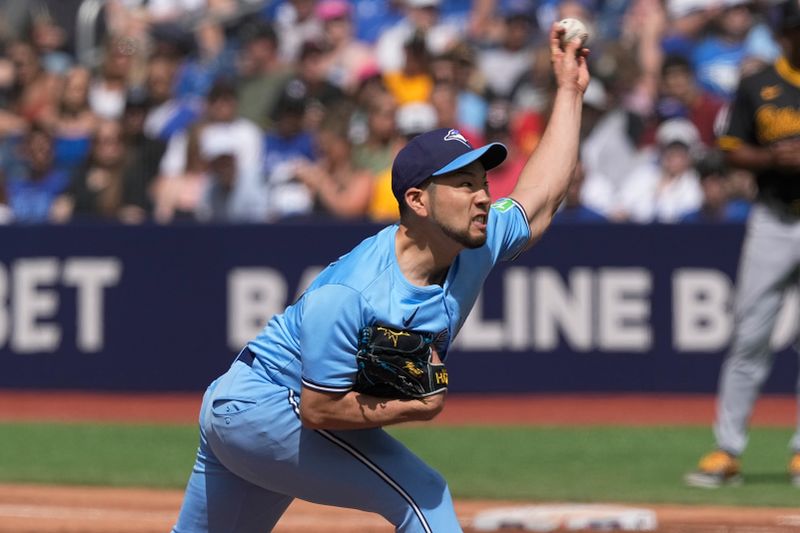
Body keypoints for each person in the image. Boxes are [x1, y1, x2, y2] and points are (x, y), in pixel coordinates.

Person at [170, 22, 589, 533]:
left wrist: (569, 91)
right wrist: (413, 406)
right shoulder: (355, 291)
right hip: (269, 404)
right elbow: (320, 409)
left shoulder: (471, 241)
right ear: (417, 201)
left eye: (482, 182)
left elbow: (540, 199)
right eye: (463, 184)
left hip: (243, 409)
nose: (483, 196)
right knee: (422, 495)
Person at [685, 0, 800, 488]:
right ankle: (727, 449)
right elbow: (729, 150)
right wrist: (773, 158)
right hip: (773, 219)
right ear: (782, 36)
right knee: (750, 336)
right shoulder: (758, 84)